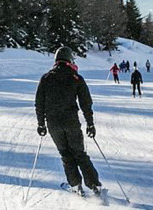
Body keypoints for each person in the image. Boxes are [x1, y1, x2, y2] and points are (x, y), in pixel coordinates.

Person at [35, 46, 102, 197]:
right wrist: (90, 123)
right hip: (71, 122)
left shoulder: (46, 78)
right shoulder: (76, 77)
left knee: (65, 154)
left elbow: (39, 103)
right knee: (79, 153)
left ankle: (76, 184)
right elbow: (86, 103)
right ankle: (94, 185)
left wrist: (41, 123)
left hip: (54, 124)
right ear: (70, 60)